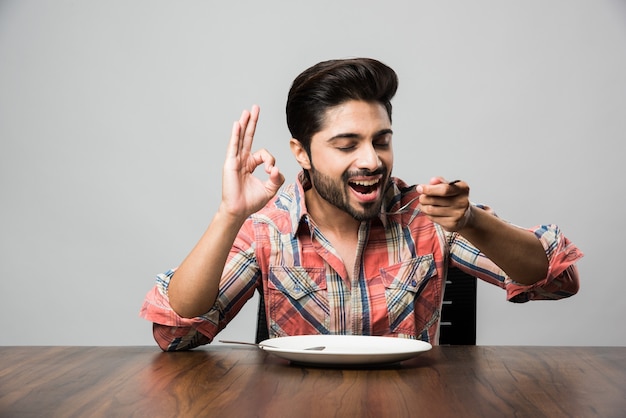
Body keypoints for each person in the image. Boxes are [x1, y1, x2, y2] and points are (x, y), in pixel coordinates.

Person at [140, 58, 582, 351]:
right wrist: (229, 216)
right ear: (302, 152)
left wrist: (471, 221)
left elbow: (555, 279)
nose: (371, 160)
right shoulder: (268, 228)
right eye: (347, 144)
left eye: (381, 141)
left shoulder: (429, 217)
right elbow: (175, 333)